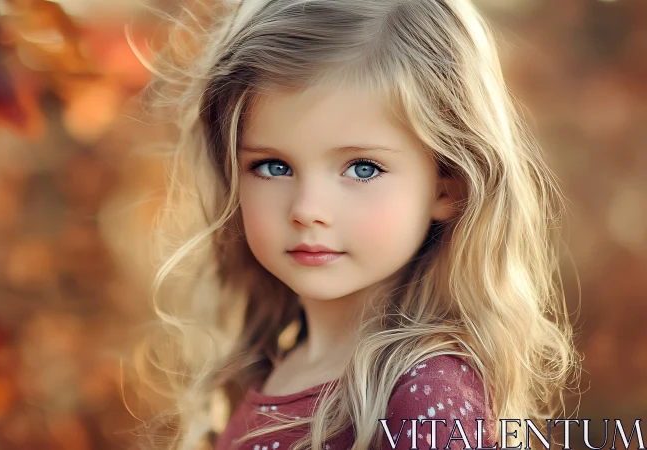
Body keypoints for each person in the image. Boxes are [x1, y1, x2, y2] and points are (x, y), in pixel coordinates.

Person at [128, 0, 581, 449]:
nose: (307, 209)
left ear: (449, 186)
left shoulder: (425, 395)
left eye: (362, 168)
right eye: (272, 167)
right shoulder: (272, 363)